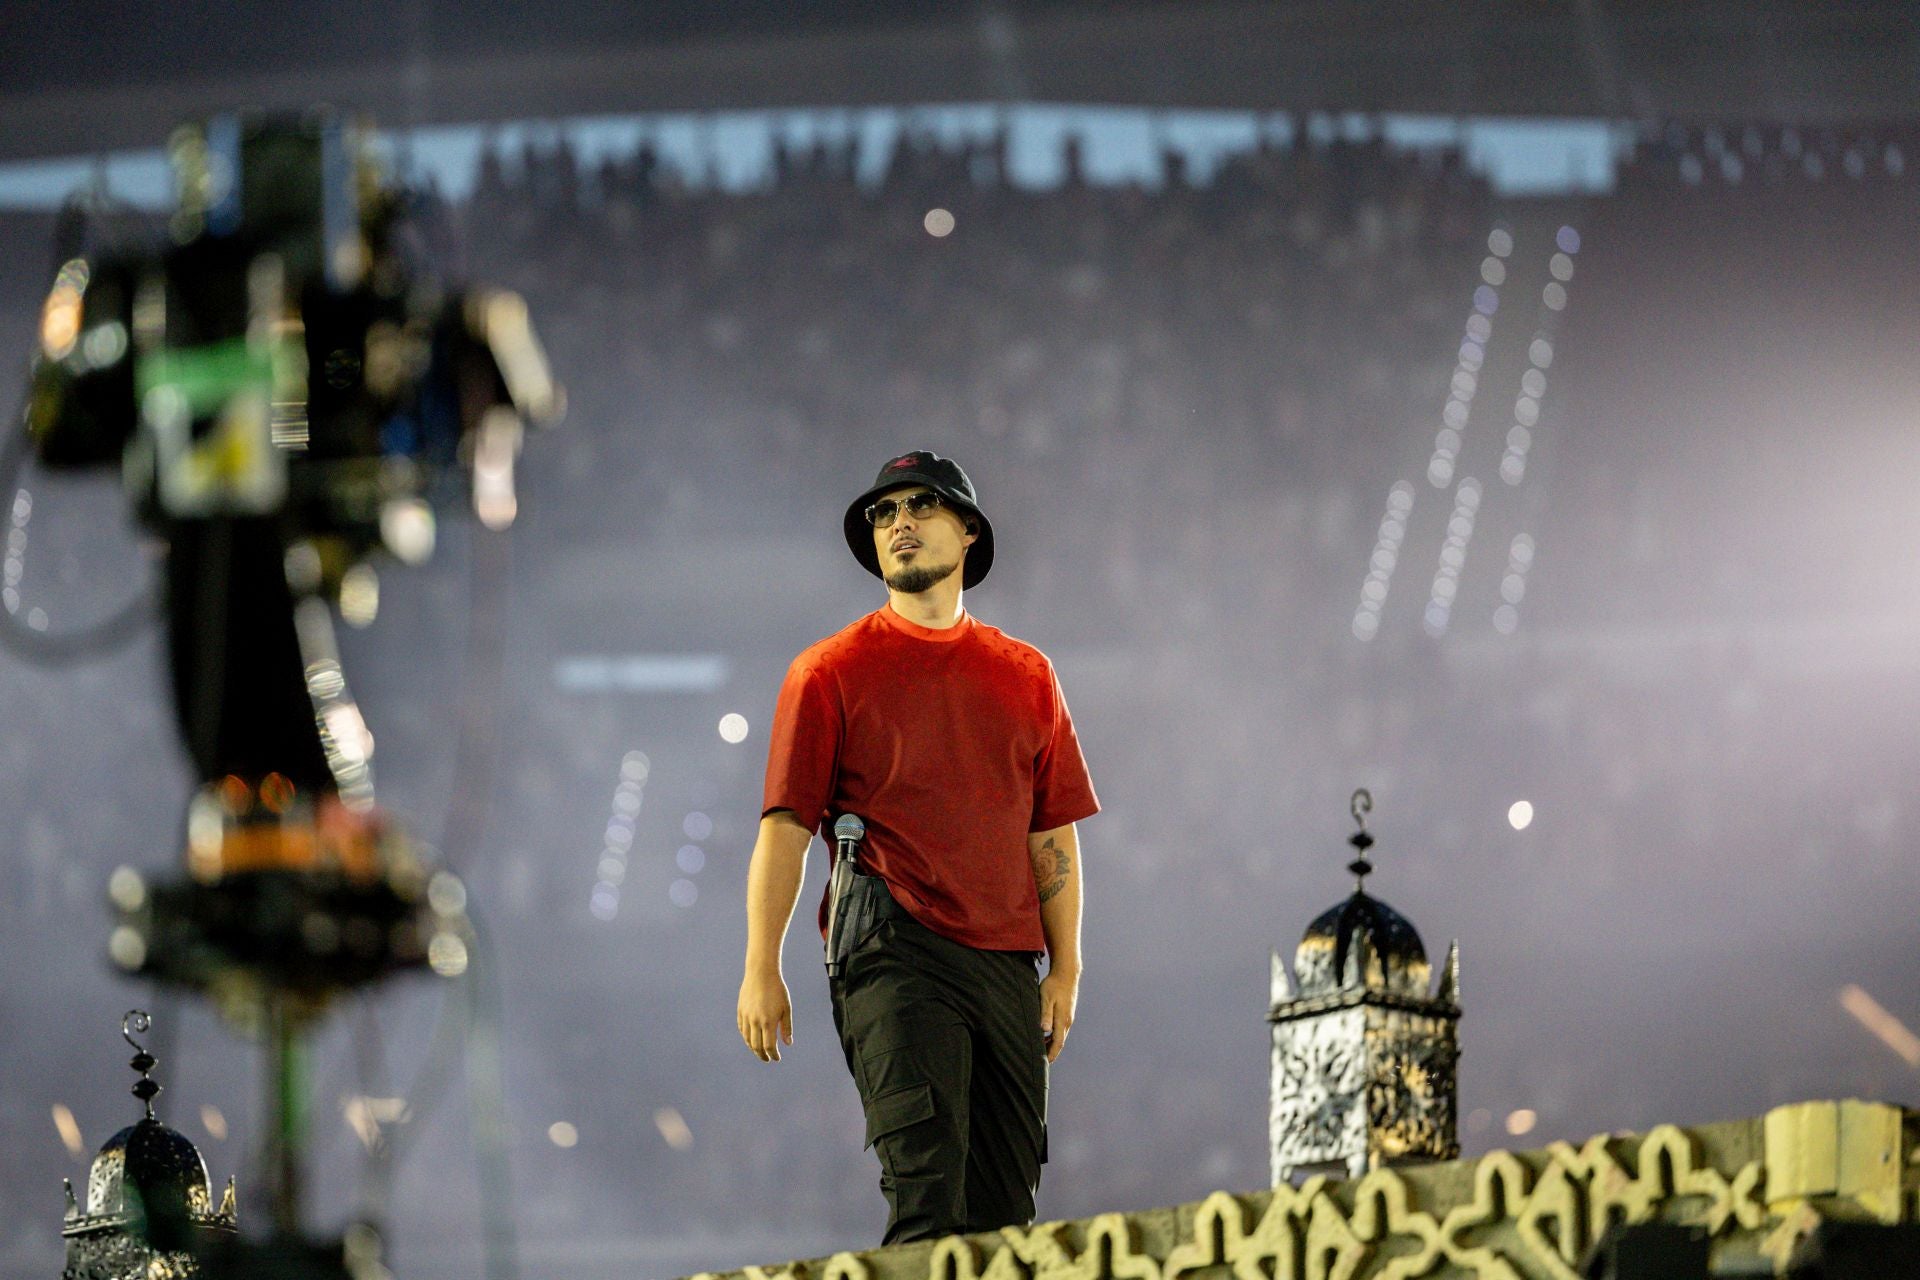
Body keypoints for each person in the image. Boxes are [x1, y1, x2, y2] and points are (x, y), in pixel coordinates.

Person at [736, 449, 1099, 1243]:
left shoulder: (1027, 674)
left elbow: (1052, 832)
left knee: (1007, 1218)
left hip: (1007, 962)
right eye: (883, 512)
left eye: (921, 507)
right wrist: (763, 964)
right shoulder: (828, 671)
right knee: (928, 1199)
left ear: (969, 532)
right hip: (891, 948)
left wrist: (1066, 967)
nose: (899, 523)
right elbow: (786, 828)